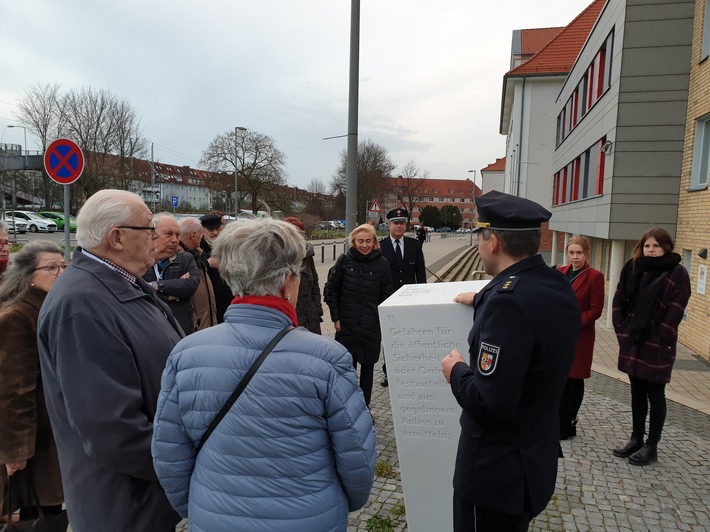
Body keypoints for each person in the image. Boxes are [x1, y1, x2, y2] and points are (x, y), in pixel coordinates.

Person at [152, 219, 376, 531]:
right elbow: (358, 459)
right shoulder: (328, 358)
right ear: (288, 281)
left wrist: (200, 505)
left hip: (215, 518)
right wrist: (336, 503)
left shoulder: (186, 353)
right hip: (308, 519)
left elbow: (168, 454)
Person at [37, 190, 183, 532]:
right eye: (148, 228)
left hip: (148, 497)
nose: (156, 237)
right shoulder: (82, 306)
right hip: (126, 506)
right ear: (117, 237)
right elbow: (113, 432)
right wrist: (184, 464)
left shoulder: (118, 283)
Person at [440, 190, 580, 531]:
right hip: (531, 462)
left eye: (481, 237)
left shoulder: (508, 304)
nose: (479, 245)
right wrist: (483, 297)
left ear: (494, 242)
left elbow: (490, 402)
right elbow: (525, 307)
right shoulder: (556, 283)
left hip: (494, 478)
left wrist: (455, 370)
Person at [611, 227, 691, 466]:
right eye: (647, 245)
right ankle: (636, 438)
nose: (651, 250)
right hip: (633, 339)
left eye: (656, 246)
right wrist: (622, 328)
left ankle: (651, 446)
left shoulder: (678, 273)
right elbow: (618, 299)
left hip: (657, 343)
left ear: (666, 247)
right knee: (636, 391)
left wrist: (661, 335)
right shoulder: (633, 267)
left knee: (655, 394)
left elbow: (676, 308)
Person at [0, 241, 66, 527]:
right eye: (51, 268)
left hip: (54, 434)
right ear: (29, 276)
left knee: (53, 510)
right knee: (39, 512)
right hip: (35, 442)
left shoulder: (53, 309)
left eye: (64, 266)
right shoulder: (17, 317)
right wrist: (16, 452)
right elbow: (14, 390)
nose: (61, 273)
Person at [325, 223, 393, 406]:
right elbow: (332, 291)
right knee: (347, 369)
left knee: (368, 368)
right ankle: (347, 407)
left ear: (375, 242)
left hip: (370, 325)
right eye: (360, 241)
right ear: (353, 241)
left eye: (368, 241)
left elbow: (387, 295)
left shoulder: (382, 264)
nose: (364, 245)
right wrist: (336, 318)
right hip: (346, 324)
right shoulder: (344, 261)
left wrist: (381, 321)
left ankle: (364, 407)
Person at [556, 235, 605, 439]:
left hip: (580, 336)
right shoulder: (561, 272)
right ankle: (557, 421)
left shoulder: (594, 276)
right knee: (560, 380)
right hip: (560, 336)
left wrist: (572, 323)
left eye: (579, 253)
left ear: (587, 254)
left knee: (574, 380)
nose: (575, 257)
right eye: (572, 252)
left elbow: (595, 311)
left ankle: (569, 423)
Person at [379, 208, 427, 387]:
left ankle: (408, 369)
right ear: (389, 225)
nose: (398, 226)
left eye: (402, 223)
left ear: (406, 225)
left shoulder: (414, 245)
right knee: (389, 337)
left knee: (409, 336)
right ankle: (388, 371)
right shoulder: (380, 246)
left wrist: (422, 298)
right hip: (388, 298)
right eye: (395, 223)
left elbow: (420, 275)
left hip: (409, 299)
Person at [143, 213, 200, 335]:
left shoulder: (185, 259)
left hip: (181, 332)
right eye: (168, 234)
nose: (175, 240)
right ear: (153, 234)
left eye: (177, 235)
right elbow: (140, 296)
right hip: (151, 332)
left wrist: (155, 285)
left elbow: (190, 286)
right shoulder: (140, 262)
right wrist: (170, 295)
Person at [283, 216, 324, 334]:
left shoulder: (307, 256)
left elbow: (315, 283)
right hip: (288, 320)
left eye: (299, 233)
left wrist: (317, 309)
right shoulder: (278, 258)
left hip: (310, 318)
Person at [178, 216, 217, 331]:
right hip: (196, 326)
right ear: (193, 235)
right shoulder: (181, 260)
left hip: (204, 323)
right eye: (201, 234)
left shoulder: (197, 255)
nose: (202, 237)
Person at [199, 211, 234, 322]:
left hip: (228, 302)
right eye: (211, 230)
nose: (215, 233)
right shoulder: (198, 248)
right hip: (208, 304)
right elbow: (191, 272)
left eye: (218, 229)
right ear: (203, 231)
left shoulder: (229, 246)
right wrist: (208, 264)